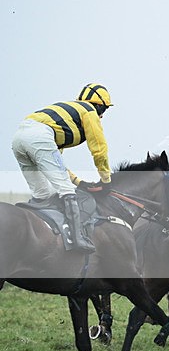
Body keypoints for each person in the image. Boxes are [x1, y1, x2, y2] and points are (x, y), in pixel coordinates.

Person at [11, 84, 114, 252]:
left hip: (19, 139)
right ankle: (77, 239)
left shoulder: (66, 115)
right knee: (66, 190)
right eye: (104, 110)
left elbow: (56, 161)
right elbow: (99, 149)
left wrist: (79, 182)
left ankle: (36, 238)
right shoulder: (89, 111)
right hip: (39, 137)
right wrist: (106, 180)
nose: (102, 115)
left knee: (43, 194)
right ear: (99, 105)